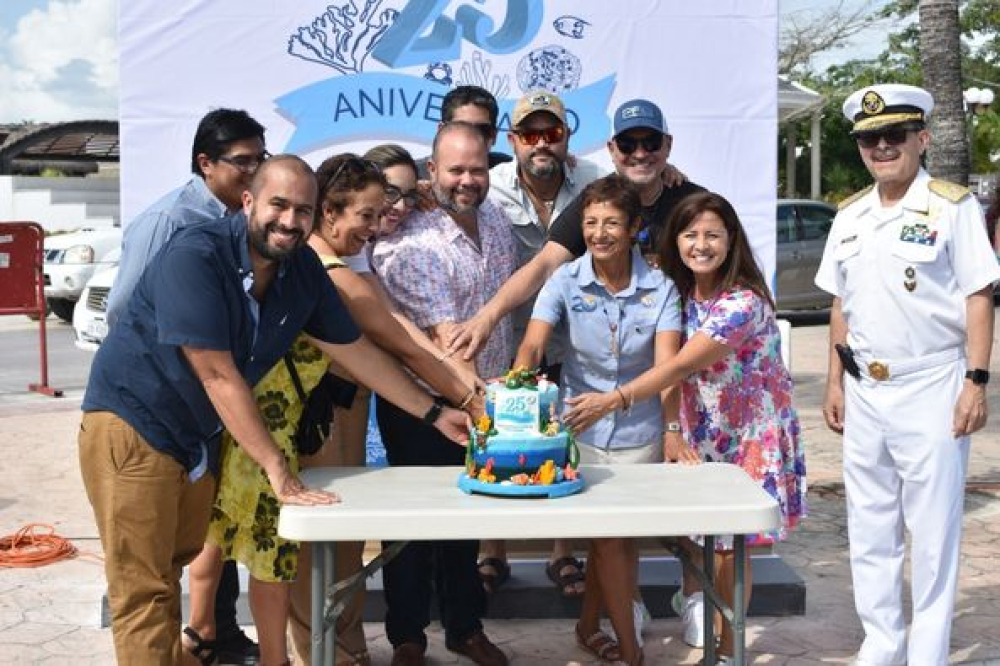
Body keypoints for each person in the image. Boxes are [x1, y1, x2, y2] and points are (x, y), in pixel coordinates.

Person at [78, 155, 470, 666]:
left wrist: (434, 412)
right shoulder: (196, 255)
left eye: (301, 210)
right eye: (277, 205)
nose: (288, 221)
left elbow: (359, 353)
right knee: (144, 592)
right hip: (134, 425)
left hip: (196, 437)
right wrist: (277, 469)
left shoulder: (301, 269)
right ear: (248, 202)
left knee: (170, 567)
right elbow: (218, 375)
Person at [564, 191, 807, 664]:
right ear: (674, 240)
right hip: (704, 433)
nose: (700, 244)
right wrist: (673, 426)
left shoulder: (743, 302)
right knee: (702, 542)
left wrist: (611, 401)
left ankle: (731, 647)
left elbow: (675, 367)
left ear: (731, 239)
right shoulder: (679, 290)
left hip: (750, 438)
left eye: (712, 235)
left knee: (730, 550)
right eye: (690, 234)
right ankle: (701, 619)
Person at [815, 84, 1000, 666]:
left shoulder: (952, 207)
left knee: (934, 532)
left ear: (922, 139)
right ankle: (882, 643)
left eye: (895, 135)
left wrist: (976, 380)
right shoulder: (850, 215)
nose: (883, 146)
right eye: (871, 138)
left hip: (932, 383)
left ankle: (927, 653)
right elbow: (840, 303)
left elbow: (979, 294)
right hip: (865, 388)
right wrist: (833, 381)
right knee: (869, 527)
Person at [284, 153, 481, 666]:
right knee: (320, 549)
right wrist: (469, 402)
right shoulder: (335, 277)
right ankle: (324, 655)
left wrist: (467, 389)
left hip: (344, 418)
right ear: (329, 211)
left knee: (345, 544)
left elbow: (409, 337)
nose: (374, 229)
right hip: (318, 426)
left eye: (379, 215)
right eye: (365, 216)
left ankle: (346, 648)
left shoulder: (344, 267)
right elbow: (404, 348)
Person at [104, 107, 267, 663]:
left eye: (260, 160)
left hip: (200, 416)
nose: (254, 173)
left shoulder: (241, 228)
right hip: (149, 413)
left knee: (185, 554)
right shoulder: (172, 222)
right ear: (206, 163)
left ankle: (210, 636)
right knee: (145, 586)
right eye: (242, 162)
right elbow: (128, 313)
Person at [514, 174, 681, 666]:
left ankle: (589, 627)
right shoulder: (565, 279)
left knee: (618, 542)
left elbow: (667, 369)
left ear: (634, 228)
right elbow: (533, 342)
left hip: (640, 433)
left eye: (611, 223)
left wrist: (671, 431)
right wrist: (519, 392)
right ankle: (630, 650)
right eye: (590, 222)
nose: (599, 233)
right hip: (579, 431)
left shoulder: (661, 286)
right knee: (608, 539)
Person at [371, 122, 517, 666]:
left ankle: (464, 627)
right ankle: (408, 636)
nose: (467, 180)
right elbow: (442, 341)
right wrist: (488, 408)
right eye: (455, 169)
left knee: (467, 522)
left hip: (487, 404)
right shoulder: (410, 241)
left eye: (477, 169)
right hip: (422, 406)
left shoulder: (498, 221)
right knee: (408, 525)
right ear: (433, 171)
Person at [448, 98, 704, 361]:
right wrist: (486, 318)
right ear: (612, 149)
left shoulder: (695, 204)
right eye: (628, 145)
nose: (640, 154)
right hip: (613, 358)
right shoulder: (597, 197)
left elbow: (729, 274)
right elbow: (545, 264)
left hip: (688, 351)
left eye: (651, 143)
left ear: (668, 145)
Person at [477, 90, 606, 598]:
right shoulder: (488, 185)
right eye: (530, 135)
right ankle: (491, 550)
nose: (541, 144)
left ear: (567, 137)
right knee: (498, 439)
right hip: (506, 335)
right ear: (513, 141)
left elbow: (644, 187)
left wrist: (672, 179)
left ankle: (563, 553)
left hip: (573, 338)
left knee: (566, 439)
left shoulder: (595, 179)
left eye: (551, 133)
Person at [415, 84, 512, 177]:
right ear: (441, 132)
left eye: (482, 130)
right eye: (461, 128)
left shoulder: (511, 173)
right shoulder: (413, 176)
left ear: (494, 136)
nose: (472, 138)